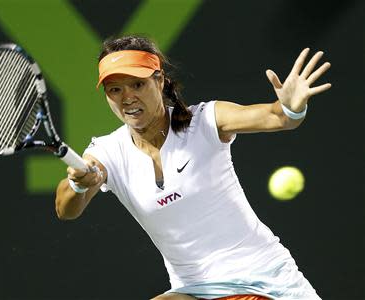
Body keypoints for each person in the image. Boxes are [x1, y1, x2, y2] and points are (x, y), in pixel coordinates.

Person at [55, 35, 331, 300]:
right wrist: (80, 184)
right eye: (115, 89)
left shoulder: (206, 121)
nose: (127, 98)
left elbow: (277, 117)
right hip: (194, 290)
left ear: (159, 80)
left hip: (267, 280)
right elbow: (66, 208)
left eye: (137, 85)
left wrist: (290, 109)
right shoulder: (107, 152)